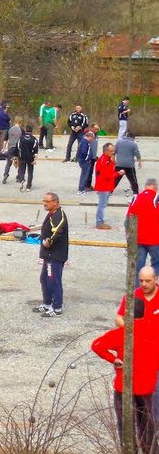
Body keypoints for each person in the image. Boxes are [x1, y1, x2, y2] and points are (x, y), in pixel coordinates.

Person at [92, 298, 159, 453]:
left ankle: (129, 450)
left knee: (125, 425)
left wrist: (114, 359)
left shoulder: (121, 334)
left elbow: (96, 345)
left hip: (124, 386)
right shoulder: (154, 331)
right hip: (147, 386)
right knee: (147, 425)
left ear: (127, 315)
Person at [31, 192, 69, 317]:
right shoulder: (52, 214)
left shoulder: (59, 215)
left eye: (47, 201)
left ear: (55, 202)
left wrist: (49, 241)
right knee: (45, 279)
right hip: (49, 255)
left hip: (55, 255)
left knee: (54, 280)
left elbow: (57, 231)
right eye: (44, 201)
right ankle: (47, 303)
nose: (44, 204)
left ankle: (57, 307)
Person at [128, 180, 159, 272]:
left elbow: (128, 219)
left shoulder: (135, 198)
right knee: (157, 264)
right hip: (155, 239)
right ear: (155, 187)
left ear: (145, 187)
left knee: (138, 267)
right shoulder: (157, 198)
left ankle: (139, 285)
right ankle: (152, 283)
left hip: (138, 239)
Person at [95, 142, 125, 230]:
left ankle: (100, 221)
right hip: (103, 185)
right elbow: (106, 175)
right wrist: (117, 174)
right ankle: (99, 222)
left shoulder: (108, 159)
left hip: (106, 185)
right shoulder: (104, 160)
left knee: (103, 204)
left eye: (114, 151)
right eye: (111, 151)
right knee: (102, 204)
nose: (113, 153)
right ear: (105, 151)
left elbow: (109, 173)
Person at [16, 125, 39, 192]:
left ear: (25, 130)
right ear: (32, 131)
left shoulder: (21, 138)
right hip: (30, 157)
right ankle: (28, 186)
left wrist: (16, 156)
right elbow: (36, 151)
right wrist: (35, 160)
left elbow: (17, 147)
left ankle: (22, 180)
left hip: (22, 157)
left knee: (21, 170)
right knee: (30, 172)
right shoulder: (34, 139)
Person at [2, 116, 23, 184]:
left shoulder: (10, 129)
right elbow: (23, 140)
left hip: (11, 147)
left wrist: (4, 148)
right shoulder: (21, 130)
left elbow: (5, 140)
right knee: (20, 162)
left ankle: (5, 174)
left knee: (9, 162)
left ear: (14, 122)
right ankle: (19, 177)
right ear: (20, 122)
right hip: (18, 148)